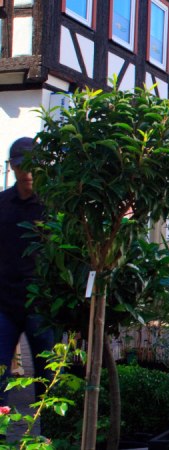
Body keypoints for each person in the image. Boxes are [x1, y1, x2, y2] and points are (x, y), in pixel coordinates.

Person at [0, 137, 54, 408]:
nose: (28, 173)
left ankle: (51, 440)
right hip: (5, 304)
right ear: (12, 167)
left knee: (49, 378)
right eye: (23, 166)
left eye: (33, 166)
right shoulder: (2, 204)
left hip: (41, 305)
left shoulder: (51, 206)